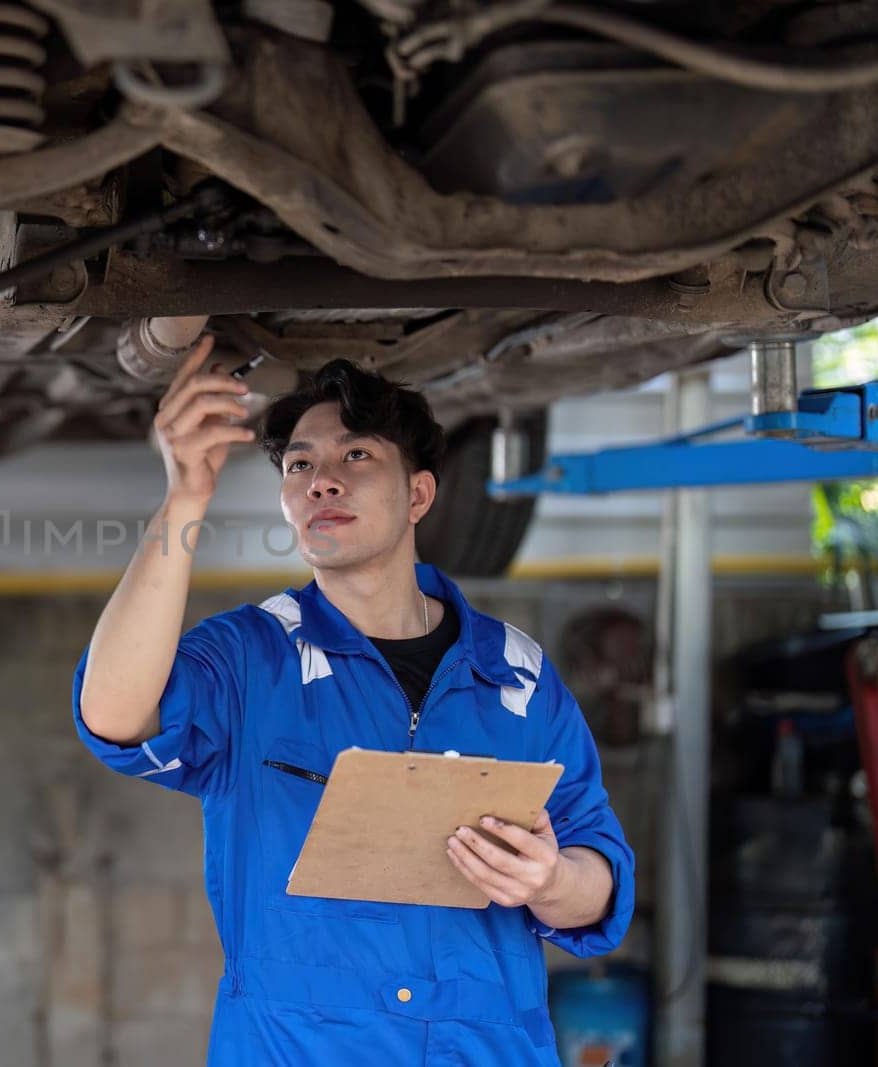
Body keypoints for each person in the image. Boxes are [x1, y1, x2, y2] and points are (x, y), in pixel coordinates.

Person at [72, 339, 634, 1065]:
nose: (322, 482)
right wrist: (184, 496)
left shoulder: (517, 678)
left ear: (420, 494)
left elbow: (600, 881)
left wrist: (553, 879)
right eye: (300, 464)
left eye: (356, 456)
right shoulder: (251, 656)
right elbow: (112, 716)